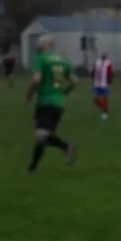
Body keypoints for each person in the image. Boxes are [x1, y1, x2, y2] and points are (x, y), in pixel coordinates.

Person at [25, 35, 77, 172]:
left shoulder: (42, 59)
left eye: (40, 43)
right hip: (59, 103)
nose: (38, 45)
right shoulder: (63, 61)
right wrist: (63, 93)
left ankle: (67, 147)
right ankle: (32, 168)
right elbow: (74, 82)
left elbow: (36, 80)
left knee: (42, 134)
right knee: (44, 136)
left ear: (47, 45)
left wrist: (28, 95)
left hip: (45, 102)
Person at [92, 53, 114, 119]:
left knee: (105, 98)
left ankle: (105, 113)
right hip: (97, 83)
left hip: (105, 84)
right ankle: (105, 109)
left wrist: (109, 82)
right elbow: (94, 71)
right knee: (95, 99)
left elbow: (111, 73)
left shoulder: (109, 63)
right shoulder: (97, 62)